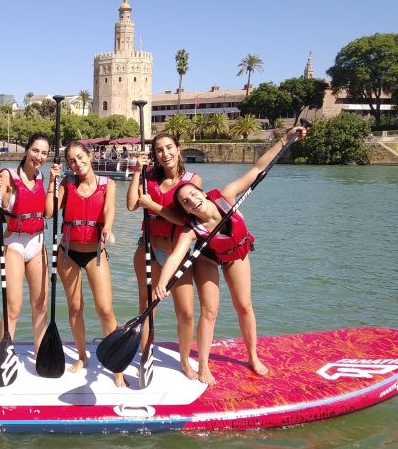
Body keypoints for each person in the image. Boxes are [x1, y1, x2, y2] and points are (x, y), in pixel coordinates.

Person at [153, 126, 308, 385]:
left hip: (236, 253)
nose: (192, 201)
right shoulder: (191, 230)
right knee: (210, 311)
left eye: (193, 195)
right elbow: (175, 256)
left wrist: (286, 138)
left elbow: (258, 168)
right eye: (186, 203)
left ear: (202, 193)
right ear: (186, 211)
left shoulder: (225, 196)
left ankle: (253, 356)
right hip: (208, 259)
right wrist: (161, 283)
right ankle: (203, 365)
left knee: (244, 306)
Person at [45, 142, 122, 386]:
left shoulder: (108, 184)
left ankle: (117, 366)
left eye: (80, 158)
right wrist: (52, 183)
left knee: (105, 310)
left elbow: (109, 208)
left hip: (94, 254)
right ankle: (81, 357)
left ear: (89, 156)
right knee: (75, 308)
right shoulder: (67, 184)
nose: (77, 164)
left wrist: (107, 229)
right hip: (68, 253)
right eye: (72, 161)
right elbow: (49, 212)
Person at [126, 133, 201, 378]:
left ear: (178, 150)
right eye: (159, 150)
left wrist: (154, 206)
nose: (165, 154)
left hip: (177, 256)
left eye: (169, 148)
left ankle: (185, 362)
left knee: (187, 313)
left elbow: (184, 219)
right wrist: (137, 171)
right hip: (147, 250)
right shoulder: (148, 178)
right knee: (147, 309)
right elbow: (130, 204)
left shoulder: (192, 181)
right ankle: (145, 355)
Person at [0, 133, 50, 352]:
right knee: (13, 308)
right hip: (14, 244)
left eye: (44, 153)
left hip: (37, 243)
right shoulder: (7, 175)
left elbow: (48, 213)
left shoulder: (42, 177)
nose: (38, 157)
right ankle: (5, 352)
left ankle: (40, 352)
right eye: (35, 150)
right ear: (26, 150)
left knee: (40, 306)